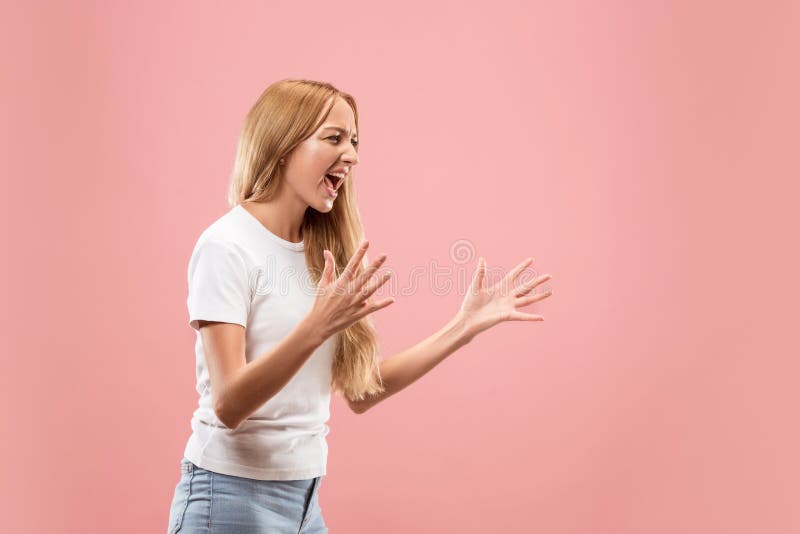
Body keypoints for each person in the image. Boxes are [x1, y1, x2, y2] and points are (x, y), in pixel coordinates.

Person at [166, 78, 553, 533]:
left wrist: (462, 328)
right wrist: (316, 326)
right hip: (228, 497)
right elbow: (229, 405)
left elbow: (361, 392)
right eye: (333, 138)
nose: (351, 154)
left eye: (354, 141)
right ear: (283, 143)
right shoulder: (226, 246)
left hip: (305, 502)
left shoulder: (322, 251)